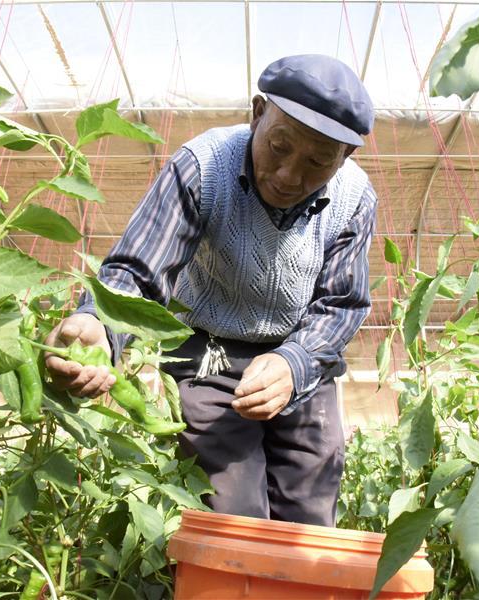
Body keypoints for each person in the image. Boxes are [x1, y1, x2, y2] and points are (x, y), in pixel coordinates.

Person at [44, 54, 378, 527]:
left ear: (345, 158)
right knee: (230, 513)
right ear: (258, 113)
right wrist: (99, 325)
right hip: (210, 350)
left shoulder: (356, 199)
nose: (288, 176)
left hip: (299, 355)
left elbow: (339, 304)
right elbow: (139, 271)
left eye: (317, 163)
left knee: (309, 517)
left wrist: (293, 362)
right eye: (279, 147)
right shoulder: (203, 167)